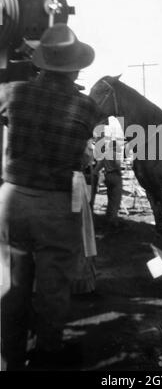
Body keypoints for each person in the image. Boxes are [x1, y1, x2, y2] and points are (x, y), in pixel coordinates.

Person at [0, 23, 102, 370]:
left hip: (12, 202)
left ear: (41, 62)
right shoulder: (87, 108)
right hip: (58, 206)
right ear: (75, 67)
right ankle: (46, 356)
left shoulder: (13, 92)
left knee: (12, 288)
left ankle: (9, 360)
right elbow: (95, 153)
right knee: (52, 291)